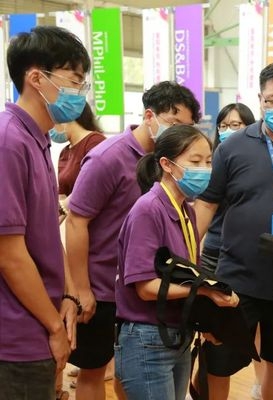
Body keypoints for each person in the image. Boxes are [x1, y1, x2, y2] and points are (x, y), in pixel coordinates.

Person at [193, 60, 273, 400]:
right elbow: (206, 204)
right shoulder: (232, 147)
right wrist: (185, 254)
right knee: (217, 359)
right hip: (237, 276)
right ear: (260, 99)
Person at [65, 81, 201, 400]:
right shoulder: (107, 158)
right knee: (93, 371)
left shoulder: (173, 164)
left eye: (187, 128)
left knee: (131, 373)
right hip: (103, 288)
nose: (180, 134)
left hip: (148, 287)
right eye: (174, 124)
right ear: (149, 116)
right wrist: (81, 289)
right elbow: (75, 221)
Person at [115, 125, 239, 400]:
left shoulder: (186, 211)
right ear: (166, 164)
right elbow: (146, 288)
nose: (204, 169)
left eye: (208, 162)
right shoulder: (148, 209)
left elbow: (187, 275)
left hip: (178, 335)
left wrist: (208, 315)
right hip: (147, 338)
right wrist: (204, 291)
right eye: (195, 161)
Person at [0, 26, 90, 399]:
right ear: (37, 78)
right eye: (74, 81)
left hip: (40, 321)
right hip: (17, 335)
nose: (80, 93)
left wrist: (68, 295)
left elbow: (48, 233)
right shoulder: (8, 141)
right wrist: (54, 326)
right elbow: (9, 253)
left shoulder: (36, 140)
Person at [198, 102, 265, 399]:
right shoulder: (213, 161)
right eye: (223, 126)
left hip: (243, 255)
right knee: (213, 335)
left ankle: (260, 384)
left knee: (257, 330)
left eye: (236, 125)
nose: (228, 131)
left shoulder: (252, 162)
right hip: (213, 253)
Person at [51, 101, 105, 396]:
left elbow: (83, 197)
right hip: (64, 234)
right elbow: (61, 195)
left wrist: (61, 208)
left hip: (87, 238)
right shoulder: (65, 151)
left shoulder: (95, 145)